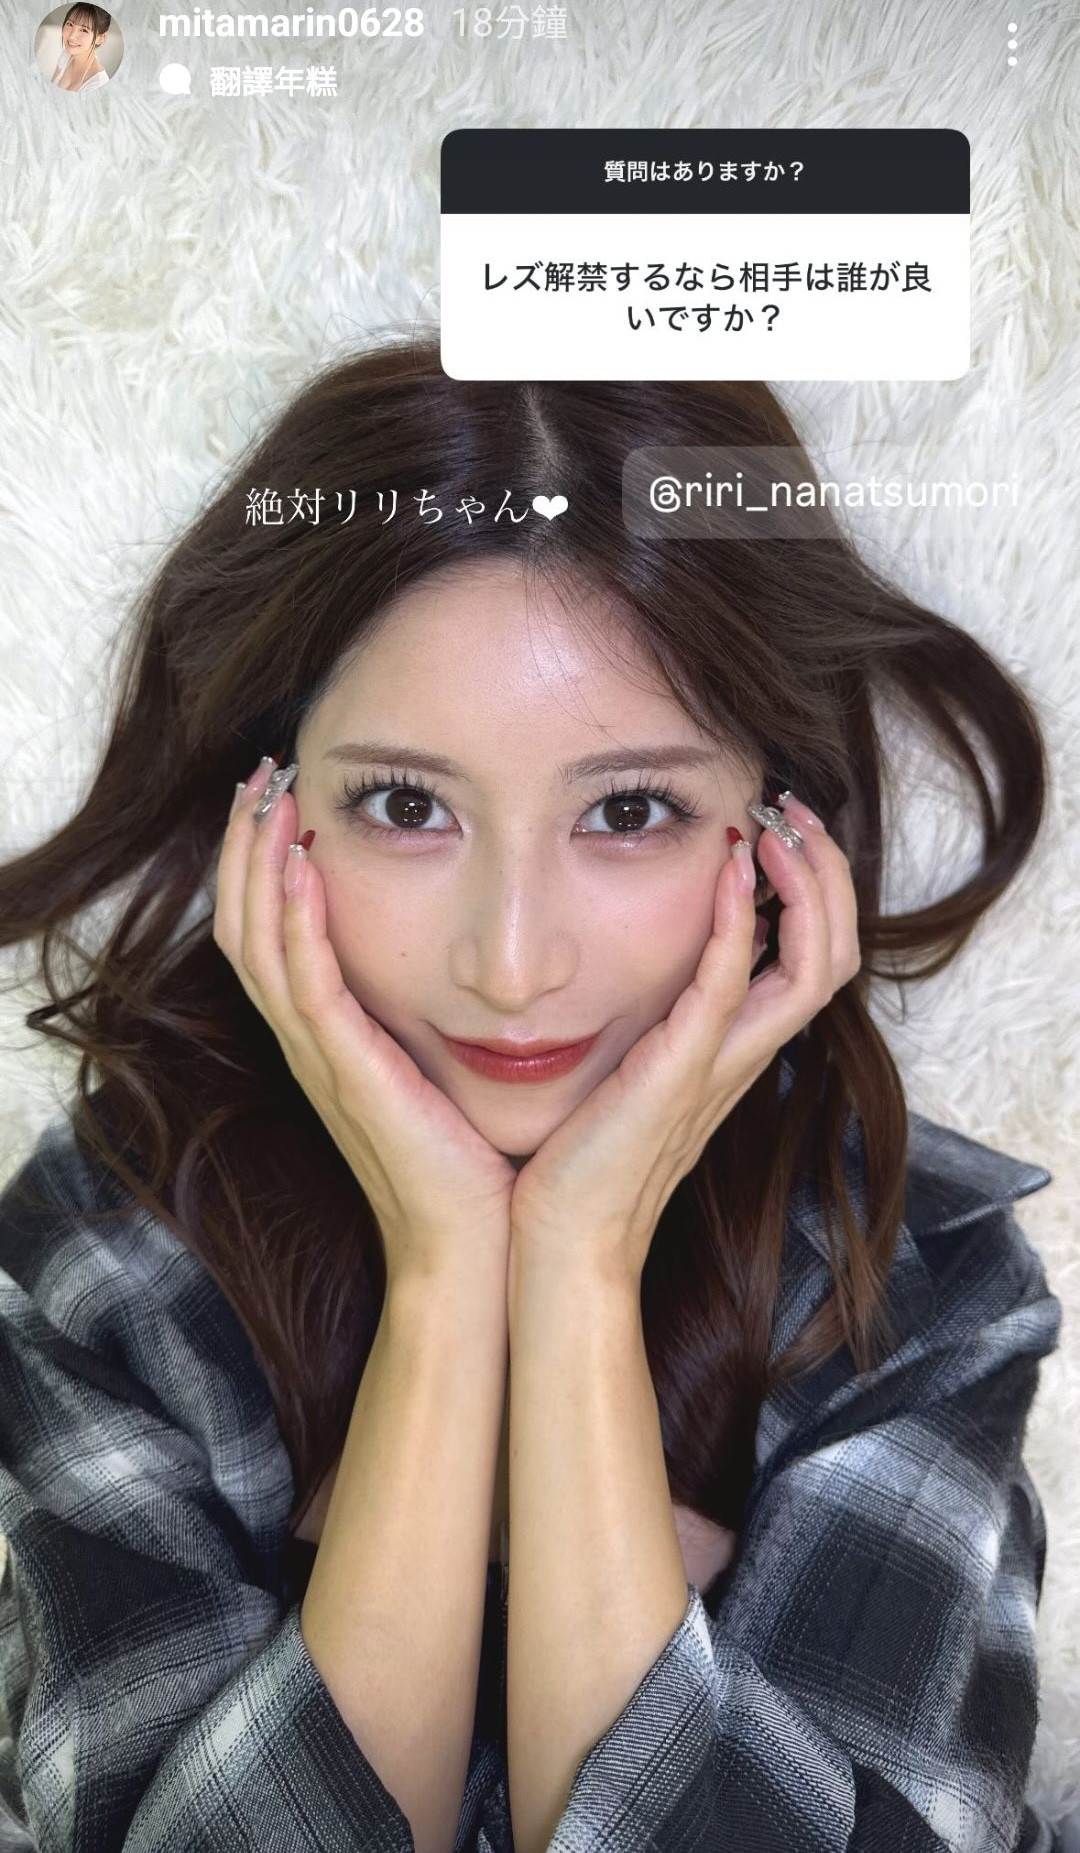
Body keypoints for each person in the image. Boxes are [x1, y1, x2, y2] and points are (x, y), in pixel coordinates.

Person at [0, 337, 1064, 1853]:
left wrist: (576, 1268)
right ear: (272, 819)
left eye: (629, 809)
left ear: (780, 840)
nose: (511, 965)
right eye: (405, 804)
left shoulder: (912, 1284)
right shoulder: (119, 1252)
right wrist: (448, 1276)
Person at [49, 3, 111, 93]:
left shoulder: (98, 83)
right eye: (70, 24)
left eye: (84, 30)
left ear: (100, 38)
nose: (71, 36)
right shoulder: (66, 55)